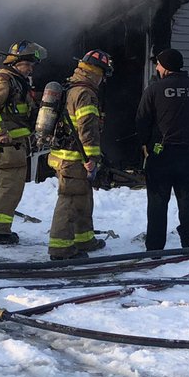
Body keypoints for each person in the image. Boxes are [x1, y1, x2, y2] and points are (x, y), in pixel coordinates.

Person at [136, 47, 189, 251]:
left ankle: (154, 249)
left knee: (157, 202)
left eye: (158, 64)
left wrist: (147, 144)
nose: (156, 67)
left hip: (161, 154)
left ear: (166, 66)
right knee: (187, 201)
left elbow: (142, 120)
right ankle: (187, 242)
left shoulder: (154, 90)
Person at [46, 49, 112, 260]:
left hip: (66, 155)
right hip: (74, 158)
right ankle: (61, 248)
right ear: (97, 72)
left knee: (83, 197)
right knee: (70, 199)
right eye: (103, 74)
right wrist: (92, 159)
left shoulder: (71, 88)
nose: (103, 80)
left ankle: (84, 239)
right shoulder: (85, 93)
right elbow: (87, 128)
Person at [0, 40, 46, 246]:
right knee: (10, 187)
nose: (30, 69)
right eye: (27, 64)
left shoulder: (16, 81)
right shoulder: (4, 81)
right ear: (16, 63)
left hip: (11, 145)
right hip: (8, 146)